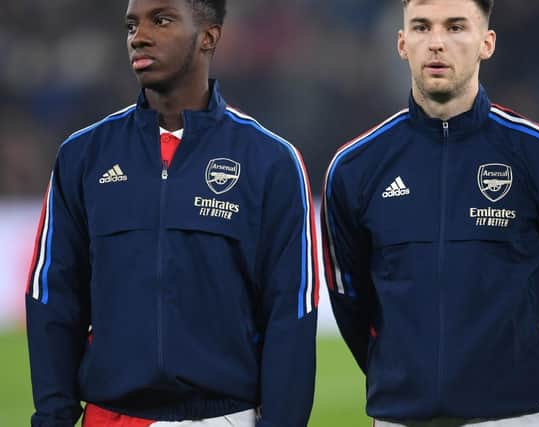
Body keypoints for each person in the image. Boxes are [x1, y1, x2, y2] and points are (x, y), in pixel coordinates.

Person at [25, 0, 319, 426]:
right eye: (131, 25)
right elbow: (53, 297)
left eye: (161, 20)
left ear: (208, 37)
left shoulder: (270, 161)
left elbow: (290, 312)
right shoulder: (83, 156)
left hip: (227, 416)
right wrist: (54, 417)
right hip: (114, 418)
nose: (138, 36)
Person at [321, 0, 539, 426]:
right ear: (401, 43)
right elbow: (350, 300)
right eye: (421, 28)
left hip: (523, 414)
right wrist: (402, 381)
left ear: (486, 43)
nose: (436, 43)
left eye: (456, 27)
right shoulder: (355, 166)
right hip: (402, 415)